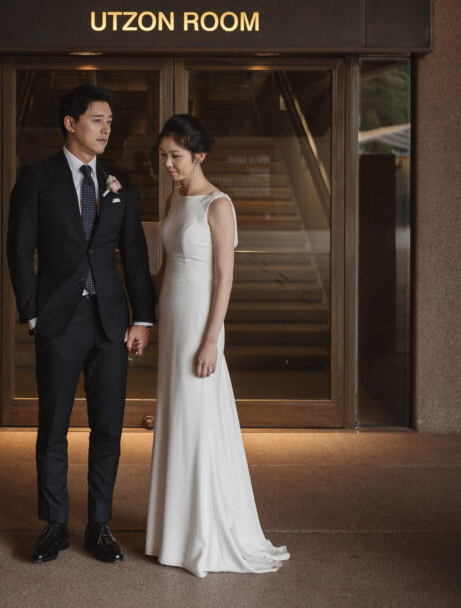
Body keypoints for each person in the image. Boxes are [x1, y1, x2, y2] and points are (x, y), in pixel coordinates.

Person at [6, 84, 155, 564]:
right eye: (97, 119)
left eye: (110, 121)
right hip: (58, 321)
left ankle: (99, 525)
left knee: (108, 426)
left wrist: (143, 318)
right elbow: (19, 249)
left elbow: (134, 254)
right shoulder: (36, 179)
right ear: (71, 124)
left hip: (110, 322)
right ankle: (53, 526)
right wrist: (33, 312)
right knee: (52, 427)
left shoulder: (119, 182)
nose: (107, 128)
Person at [145, 114, 289, 577]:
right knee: (177, 419)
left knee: (198, 422)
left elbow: (225, 278)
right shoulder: (174, 199)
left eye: (176, 156)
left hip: (199, 324)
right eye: (163, 155)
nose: (167, 163)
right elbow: (166, 267)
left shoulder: (218, 205)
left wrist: (211, 341)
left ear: (199, 156)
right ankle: (175, 534)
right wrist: (143, 316)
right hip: (171, 317)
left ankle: (203, 536)